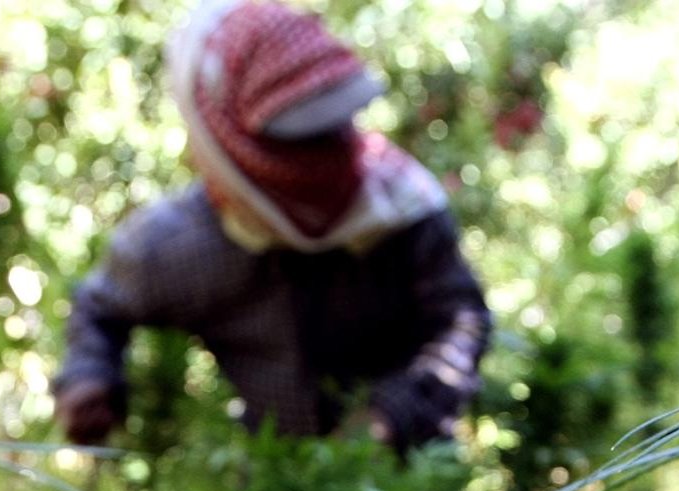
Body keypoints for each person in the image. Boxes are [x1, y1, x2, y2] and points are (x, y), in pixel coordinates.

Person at [51, 0, 491, 454]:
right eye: (299, 137)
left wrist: (390, 417)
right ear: (225, 139)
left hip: (411, 486)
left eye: (334, 125)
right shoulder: (175, 249)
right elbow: (99, 307)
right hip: (261, 487)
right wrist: (89, 377)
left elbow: (461, 322)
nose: (325, 156)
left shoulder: (403, 213)